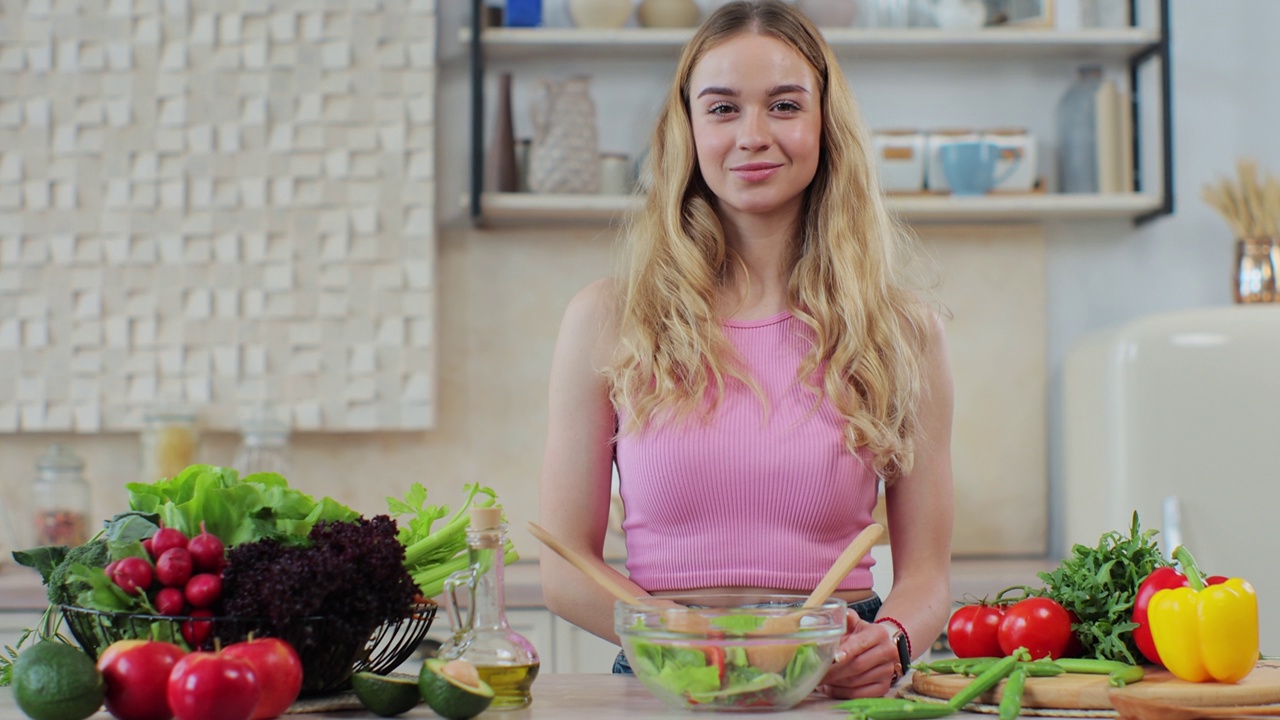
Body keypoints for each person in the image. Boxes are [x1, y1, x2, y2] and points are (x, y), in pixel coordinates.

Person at [537, 0, 954, 700]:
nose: (753, 135)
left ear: (825, 122)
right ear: (689, 129)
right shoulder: (609, 318)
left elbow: (926, 577)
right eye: (723, 109)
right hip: (666, 668)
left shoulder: (903, 331)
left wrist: (895, 638)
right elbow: (562, 567)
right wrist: (679, 634)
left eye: (784, 106)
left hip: (829, 672)